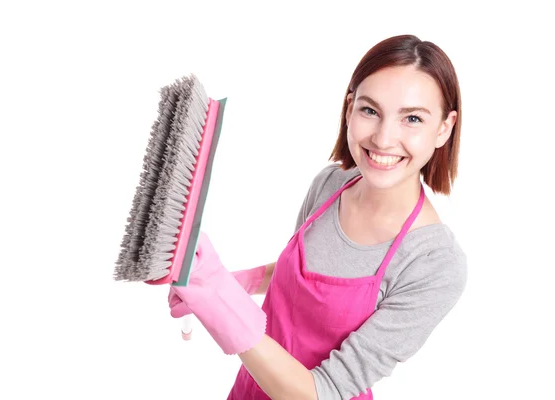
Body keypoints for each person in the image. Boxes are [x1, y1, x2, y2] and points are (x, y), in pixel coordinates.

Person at [168, 34, 468, 399]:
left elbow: (321, 392)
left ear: (444, 128)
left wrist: (224, 306)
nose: (385, 138)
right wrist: (235, 282)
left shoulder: (434, 263)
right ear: (349, 108)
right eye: (370, 110)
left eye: (413, 118)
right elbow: (304, 276)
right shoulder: (331, 184)